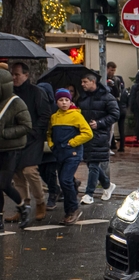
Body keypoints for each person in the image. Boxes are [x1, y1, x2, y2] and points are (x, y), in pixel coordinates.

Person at [8, 62, 51, 223]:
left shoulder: (36, 92)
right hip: (15, 138)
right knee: (17, 174)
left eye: (17, 74)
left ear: (26, 75)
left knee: (29, 171)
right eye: (12, 74)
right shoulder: (10, 93)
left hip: (32, 139)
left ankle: (40, 202)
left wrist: (34, 132)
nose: (14, 77)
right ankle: (23, 206)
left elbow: (45, 114)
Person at [48, 89, 93, 225]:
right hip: (59, 153)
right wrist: (52, 145)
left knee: (65, 180)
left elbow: (88, 133)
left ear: (70, 101)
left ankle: (74, 208)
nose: (64, 103)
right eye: (61, 100)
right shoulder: (54, 117)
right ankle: (68, 211)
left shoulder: (76, 116)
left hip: (73, 154)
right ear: (56, 102)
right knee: (64, 182)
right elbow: (49, 132)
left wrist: (72, 143)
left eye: (66, 100)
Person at [76, 73, 118, 205]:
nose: (82, 84)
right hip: (85, 134)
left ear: (93, 82)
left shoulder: (106, 97)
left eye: (85, 82)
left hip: (99, 134)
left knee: (93, 163)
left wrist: (99, 123)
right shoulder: (82, 98)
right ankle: (107, 185)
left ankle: (89, 194)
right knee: (90, 162)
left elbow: (115, 114)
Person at [0, 68, 33, 230]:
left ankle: (22, 208)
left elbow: (26, 125)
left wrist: (5, 132)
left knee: (4, 183)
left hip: (11, 149)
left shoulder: (15, 102)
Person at [37, 82, 62, 210]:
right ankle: (58, 189)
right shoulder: (36, 106)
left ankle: (53, 194)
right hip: (40, 143)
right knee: (41, 170)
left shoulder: (55, 108)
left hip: (53, 143)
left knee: (51, 171)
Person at [106, 62, 127, 152]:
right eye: (111, 70)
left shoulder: (117, 79)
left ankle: (119, 145)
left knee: (116, 127)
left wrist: (113, 85)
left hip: (115, 105)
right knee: (110, 126)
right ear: (107, 69)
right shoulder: (103, 78)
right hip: (109, 105)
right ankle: (111, 144)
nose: (113, 72)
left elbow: (118, 93)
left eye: (114, 70)